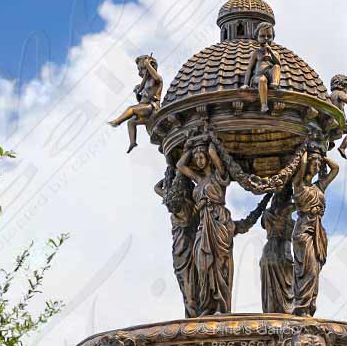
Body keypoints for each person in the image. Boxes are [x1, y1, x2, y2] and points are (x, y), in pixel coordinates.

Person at [177, 139, 268, 315]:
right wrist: (189, 148)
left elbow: (213, 153)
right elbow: (181, 165)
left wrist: (209, 136)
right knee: (203, 266)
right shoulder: (198, 179)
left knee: (220, 266)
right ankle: (207, 307)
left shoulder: (219, 175)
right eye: (196, 159)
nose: (199, 161)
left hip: (219, 222)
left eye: (201, 157)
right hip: (204, 224)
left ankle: (220, 307)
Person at [291, 149, 339, 317]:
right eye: (315, 163)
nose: (317, 166)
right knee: (308, 269)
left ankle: (309, 306)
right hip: (304, 230)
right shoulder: (298, 184)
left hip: (317, 230)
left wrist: (321, 154)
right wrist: (306, 147)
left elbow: (335, 169)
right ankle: (301, 306)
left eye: (319, 164)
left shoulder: (319, 186)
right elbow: (302, 164)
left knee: (315, 270)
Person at [154, 166, 198, 317]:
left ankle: (193, 318)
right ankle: (193, 318)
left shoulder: (184, 204)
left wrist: (172, 172)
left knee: (191, 292)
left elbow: (157, 188)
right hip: (184, 253)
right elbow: (157, 188)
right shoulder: (182, 205)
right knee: (190, 293)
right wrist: (174, 172)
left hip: (188, 252)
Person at [108, 54, 163, 153]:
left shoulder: (156, 80)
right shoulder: (144, 82)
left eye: (143, 68)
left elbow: (157, 78)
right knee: (131, 122)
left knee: (131, 109)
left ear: (150, 66)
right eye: (139, 69)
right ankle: (133, 142)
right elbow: (141, 98)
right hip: (143, 107)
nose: (140, 72)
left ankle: (117, 121)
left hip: (151, 107)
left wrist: (148, 65)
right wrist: (137, 93)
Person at [260, 186, 294, 314]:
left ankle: (271, 309)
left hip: (268, 250)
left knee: (270, 285)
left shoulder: (267, 213)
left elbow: (262, 222)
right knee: (286, 282)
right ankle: (285, 310)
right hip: (281, 250)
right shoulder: (286, 213)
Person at [241, 22, 282, 113]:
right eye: (262, 36)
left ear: (273, 37)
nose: (266, 38)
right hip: (259, 76)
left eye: (269, 36)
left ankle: (275, 83)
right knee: (262, 80)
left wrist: (270, 52)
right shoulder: (256, 53)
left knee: (276, 66)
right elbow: (249, 68)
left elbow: (278, 64)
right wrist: (245, 84)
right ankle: (264, 105)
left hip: (270, 75)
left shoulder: (275, 53)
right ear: (257, 37)